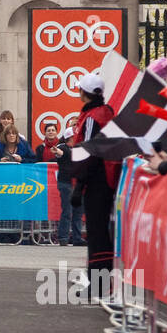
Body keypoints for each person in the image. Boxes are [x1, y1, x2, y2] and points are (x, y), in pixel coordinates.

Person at [70, 72, 119, 293]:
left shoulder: (92, 117)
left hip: (97, 180)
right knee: (100, 232)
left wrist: (79, 185)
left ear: (84, 92)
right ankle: (100, 283)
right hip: (105, 177)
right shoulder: (106, 112)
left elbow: (87, 151)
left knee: (96, 233)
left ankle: (98, 284)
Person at [37, 124, 82, 246]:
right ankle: (63, 237)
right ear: (70, 137)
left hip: (77, 184)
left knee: (78, 212)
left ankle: (78, 238)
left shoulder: (79, 148)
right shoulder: (63, 147)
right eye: (75, 135)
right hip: (66, 184)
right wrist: (57, 152)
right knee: (67, 211)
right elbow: (60, 153)